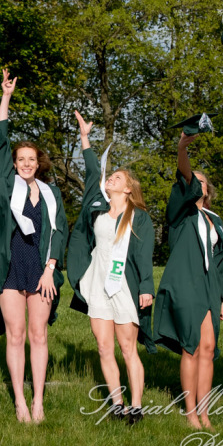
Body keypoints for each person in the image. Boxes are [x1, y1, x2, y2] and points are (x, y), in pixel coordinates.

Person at [0, 69, 67, 423]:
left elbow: (59, 231)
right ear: (14, 165)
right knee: (15, 335)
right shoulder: (5, 185)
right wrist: (6, 98)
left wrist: (51, 268)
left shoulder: (51, 194)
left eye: (32, 159)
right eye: (21, 160)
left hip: (40, 268)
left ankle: (39, 402)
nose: (27, 164)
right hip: (10, 266)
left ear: (39, 163)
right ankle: (19, 401)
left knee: (39, 334)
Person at [67, 111, 155, 424]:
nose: (111, 179)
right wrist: (85, 138)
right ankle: (117, 405)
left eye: (118, 178)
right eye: (111, 177)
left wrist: (146, 286)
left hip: (125, 288)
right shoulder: (100, 212)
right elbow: (93, 172)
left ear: (129, 188)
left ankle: (136, 406)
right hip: (98, 286)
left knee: (127, 348)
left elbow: (145, 254)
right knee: (104, 348)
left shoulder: (139, 217)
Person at [152, 126, 223, 430]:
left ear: (208, 190)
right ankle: (190, 413)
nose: (196, 183)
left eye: (202, 181)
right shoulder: (180, 214)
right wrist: (182, 149)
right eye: (192, 180)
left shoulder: (216, 220)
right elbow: (184, 175)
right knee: (191, 345)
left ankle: (205, 411)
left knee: (209, 349)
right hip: (186, 285)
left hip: (212, 289)